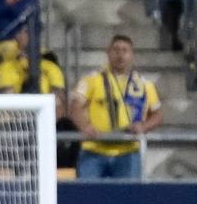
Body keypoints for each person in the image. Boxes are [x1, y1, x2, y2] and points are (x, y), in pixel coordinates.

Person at [70, 35, 163, 179]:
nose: (120, 55)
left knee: (128, 199)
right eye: (116, 50)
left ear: (132, 55)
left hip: (128, 152)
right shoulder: (92, 79)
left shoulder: (144, 84)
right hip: (94, 150)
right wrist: (85, 126)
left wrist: (143, 127)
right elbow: (75, 106)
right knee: (87, 197)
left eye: (125, 51)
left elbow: (157, 116)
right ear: (108, 53)